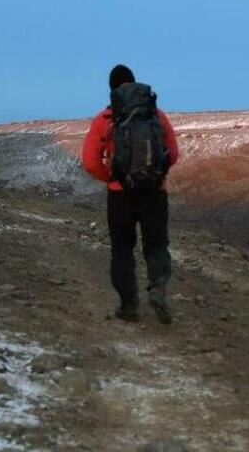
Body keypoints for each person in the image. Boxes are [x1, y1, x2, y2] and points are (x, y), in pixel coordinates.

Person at [81, 64, 179, 324]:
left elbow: (90, 161)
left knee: (122, 250)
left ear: (112, 89)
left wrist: (112, 178)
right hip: (154, 192)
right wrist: (156, 175)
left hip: (120, 195)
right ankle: (157, 287)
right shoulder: (156, 115)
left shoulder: (104, 119)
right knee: (156, 246)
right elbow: (173, 154)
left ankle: (128, 307)